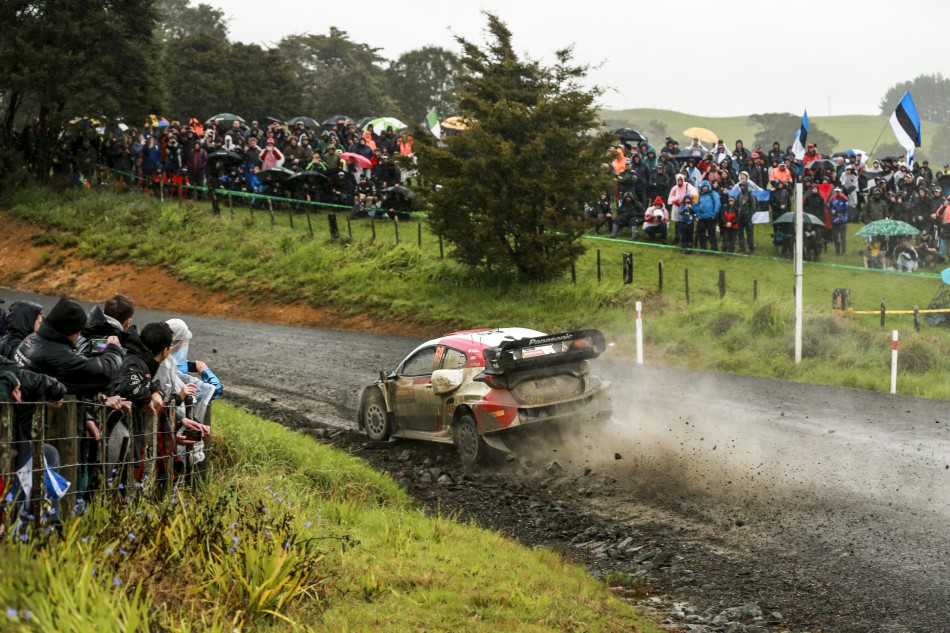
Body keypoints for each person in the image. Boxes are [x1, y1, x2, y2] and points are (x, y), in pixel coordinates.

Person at [668, 174, 698, 245]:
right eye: (678, 180)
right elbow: (670, 198)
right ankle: (677, 238)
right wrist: (675, 201)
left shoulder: (687, 185)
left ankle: (685, 240)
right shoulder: (674, 188)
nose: (680, 181)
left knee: (685, 224)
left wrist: (686, 199)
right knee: (677, 224)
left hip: (686, 207)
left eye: (681, 180)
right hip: (677, 207)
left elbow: (694, 193)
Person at [693, 180, 720, 251]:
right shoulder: (700, 195)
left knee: (712, 234)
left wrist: (714, 214)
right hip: (701, 217)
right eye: (703, 187)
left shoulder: (713, 194)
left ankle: (714, 249)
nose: (704, 188)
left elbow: (717, 204)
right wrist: (697, 215)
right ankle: (703, 248)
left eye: (706, 187)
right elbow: (698, 206)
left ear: (708, 187)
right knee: (701, 234)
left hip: (710, 217)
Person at [735, 182, 757, 254]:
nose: (742, 187)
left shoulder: (750, 195)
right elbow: (737, 205)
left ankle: (751, 249)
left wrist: (749, 215)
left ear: (746, 186)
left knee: (749, 234)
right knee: (740, 233)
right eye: (741, 186)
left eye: (743, 186)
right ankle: (742, 248)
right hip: (740, 217)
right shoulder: (739, 195)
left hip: (747, 218)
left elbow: (753, 207)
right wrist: (737, 213)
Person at [828, 187, 850, 256]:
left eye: (839, 191)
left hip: (843, 220)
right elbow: (829, 206)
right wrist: (832, 211)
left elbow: (846, 207)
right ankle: (837, 251)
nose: (837, 192)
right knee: (835, 237)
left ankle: (843, 252)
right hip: (834, 221)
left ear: (841, 191)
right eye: (836, 191)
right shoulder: (832, 198)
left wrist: (838, 211)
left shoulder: (844, 198)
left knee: (843, 237)